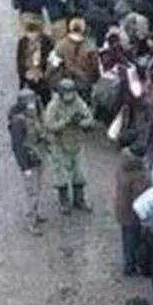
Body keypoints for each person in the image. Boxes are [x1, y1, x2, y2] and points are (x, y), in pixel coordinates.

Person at [42, 78, 98, 213]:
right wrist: (65, 122)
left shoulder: (78, 102)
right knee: (61, 174)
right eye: (66, 93)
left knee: (79, 173)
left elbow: (89, 118)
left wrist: (81, 122)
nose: (69, 96)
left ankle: (79, 200)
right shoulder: (54, 105)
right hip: (59, 143)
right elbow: (48, 124)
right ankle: (64, 202)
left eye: (71, 93)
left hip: (76, 142)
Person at [8, 88, 48, 233]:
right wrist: (25, 168)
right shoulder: (18, 122)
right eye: (29, 102)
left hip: (37, 157)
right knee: (31, 192)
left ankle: (36, 214)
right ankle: (31, 221)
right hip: (29, 161)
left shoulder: (33, 115)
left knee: (38, 189)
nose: (32, 105)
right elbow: (17, 146)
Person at [116, 142, 150, 275]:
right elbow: (140, 195)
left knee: (126, 237)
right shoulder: (138, 173)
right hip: (133, 211)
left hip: (122, 206)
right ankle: (131, 266)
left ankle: (129, 263)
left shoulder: (123, 163)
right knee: (133, 238)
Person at [17, 17, 54, 105]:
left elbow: (52, 58)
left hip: (43, 77)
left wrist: (45, 73)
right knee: (27, 103)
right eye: (30, 31)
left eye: (34, 31)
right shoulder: (22, 42)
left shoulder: (46, 41)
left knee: (46, 102)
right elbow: (19, 60)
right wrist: (24, 74)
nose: (32, 35)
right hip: (28, 77)